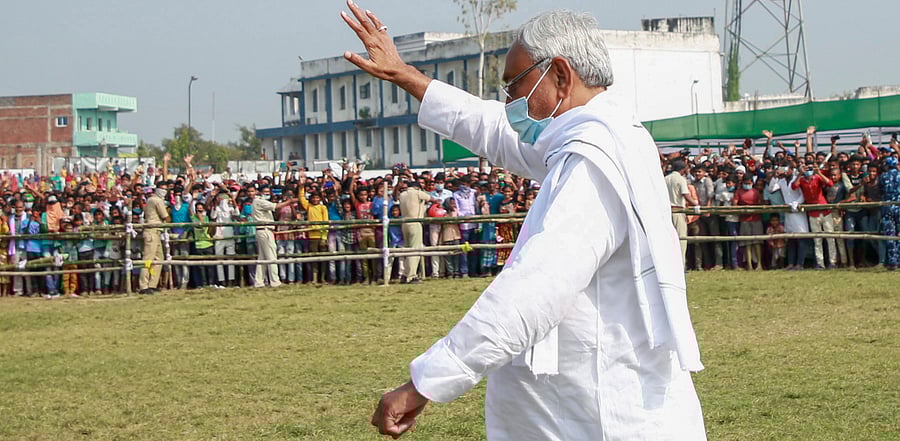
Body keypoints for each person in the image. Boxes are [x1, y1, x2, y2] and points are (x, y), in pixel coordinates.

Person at [342, 3, 705, 440]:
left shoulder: (593, 161)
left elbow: (534, 290)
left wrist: (426, 382)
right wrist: (405, 75)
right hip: (585, 405)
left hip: (598, 411)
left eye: (514, 85)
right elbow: (494, 129)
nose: (509, 101)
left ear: (560, 75)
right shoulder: (602, 137)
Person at [250, 185, 296, 288]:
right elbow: (276, 207)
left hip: (264, 230)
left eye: (268, 192)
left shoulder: (260, 202)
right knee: (271, 255)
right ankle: (275, 281)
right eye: (265, 192)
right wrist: (290, 201)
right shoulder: (259, 201)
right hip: (265, 229)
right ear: (260, 192)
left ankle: (259, 281)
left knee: (262, 257)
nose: (267, 194)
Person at [398, 180, 434, 283]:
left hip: (404, 223)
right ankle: (411, 276)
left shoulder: (402, 194)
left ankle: (405, 274)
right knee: (415, 250)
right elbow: (431, 199)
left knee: (408, 249)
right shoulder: (417, 192)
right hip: (415, 222)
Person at [139, 180, 170, 295]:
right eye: (162, 188)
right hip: (151, 231)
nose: (164, 191)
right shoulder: (156, 200)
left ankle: (152, 284)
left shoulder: (153, 200)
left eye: (165, 189)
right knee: (148, 259)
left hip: (157, 231)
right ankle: (144, 285)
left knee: (158, 259)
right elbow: (165, 217)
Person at [665, 160, 698, 266]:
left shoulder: (665, 178)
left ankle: (670, 264)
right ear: (683, 169)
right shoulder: (680, 179)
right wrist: (696, 205)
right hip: (678, 210)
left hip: (667, 212)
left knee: (669, 239)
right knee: (681, 239)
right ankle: (681, 265)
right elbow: (686, 194)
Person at [879, 156, 900, 269]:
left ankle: (893, 261)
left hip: (887, 207)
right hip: (899, 206)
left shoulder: (883, 176)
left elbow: (881, 190)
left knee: (890, 234)